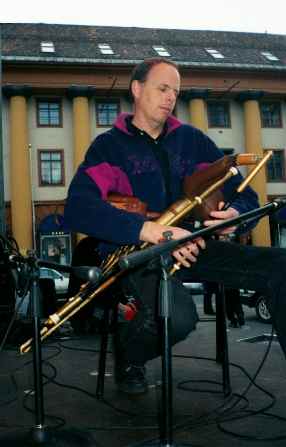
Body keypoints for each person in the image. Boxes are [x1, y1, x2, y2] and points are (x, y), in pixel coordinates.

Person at [64, 58, 286, 395]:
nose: (171, 98)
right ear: (137, 89)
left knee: (281, 265)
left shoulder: (193, 140)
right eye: (163, 88)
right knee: (178, 319)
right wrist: (149, 229)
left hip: (195, 245)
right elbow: (78, 208)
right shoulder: (107, 147)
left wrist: (235, 215)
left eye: (176, 92)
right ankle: (129, 354)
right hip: (140, 252)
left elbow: (248, 197)